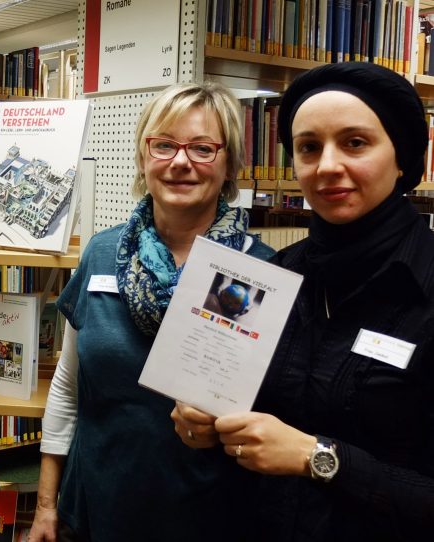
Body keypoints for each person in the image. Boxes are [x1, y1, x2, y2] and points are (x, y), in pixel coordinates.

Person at [172, 62, 434, 540]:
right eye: (309, 147)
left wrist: (318, 458)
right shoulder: (264, 276)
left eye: (355, 142)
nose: (328, 166)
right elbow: (221, 413)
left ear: (402, 159)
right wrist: (201, 424)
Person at [27, 81, 275, 542]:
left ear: (230, 165)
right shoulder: (101, 254)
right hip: (97, 507)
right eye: (164, 145)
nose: (181, 162)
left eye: (203, 148)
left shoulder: (256, 272)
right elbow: (67, 387)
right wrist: (46, 505)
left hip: (208, 517)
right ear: (143, 158)